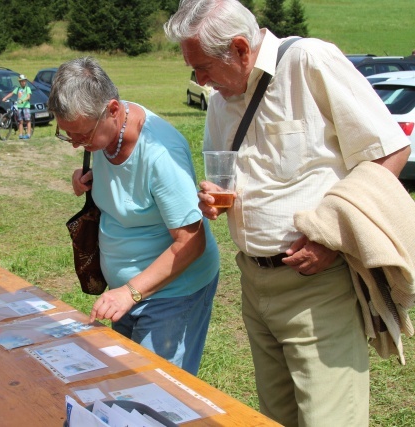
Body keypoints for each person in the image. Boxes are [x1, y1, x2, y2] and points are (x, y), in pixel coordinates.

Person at [164, 1, 411, 426]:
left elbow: (389, 150)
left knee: (329, 419)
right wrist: (215, 197)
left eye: (203, 67)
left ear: (241, 49)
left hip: (317, 285)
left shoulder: (309, 61)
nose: (199, 80)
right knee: (277, 417)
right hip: (254, 282)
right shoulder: (223, 101)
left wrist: (331, 236)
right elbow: (232, 180)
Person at [48, 57, 220, 375]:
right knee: (129, 381)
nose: (75, 145)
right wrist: (84, 177)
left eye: (81, 136)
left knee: (158, 394)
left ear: (113, 110)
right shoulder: (102, 134)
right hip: (125, 294)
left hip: (172, 293)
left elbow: (191, 242)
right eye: (66, 134)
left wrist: (131, 291)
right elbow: (125, 188)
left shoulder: (160, 154)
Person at [2, 74, 32, 139]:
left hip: (26, 106)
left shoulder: (28, 88)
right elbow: (11, 93)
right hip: (19, 106)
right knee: (20, 121)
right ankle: (20, 134)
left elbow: (29, 96)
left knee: (27, 120)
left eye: (24, 81)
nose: (23, 82)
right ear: (20, 82)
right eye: (22, 81)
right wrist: (5, 98)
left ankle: (28, 134)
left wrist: (23, 100)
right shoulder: (18, 88)